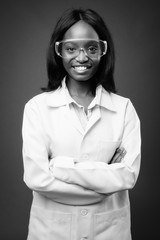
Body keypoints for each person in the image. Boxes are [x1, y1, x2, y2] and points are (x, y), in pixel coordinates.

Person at [22, 7, 141, 240]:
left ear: (103, 51)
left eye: (92, 48)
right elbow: (37, 178)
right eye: (71, 49)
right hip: (51, 232)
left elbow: (127, 177)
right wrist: (104, 181)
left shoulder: (124, 109)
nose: (82, 57)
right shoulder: (37, 108)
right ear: (59, 52)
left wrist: (58, 167)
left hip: (109, 231)